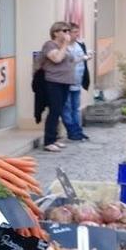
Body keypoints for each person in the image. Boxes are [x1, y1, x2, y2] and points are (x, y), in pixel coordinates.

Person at [35, 21, 76, 152]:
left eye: (68, 31)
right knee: (54, 110)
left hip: (65, 82)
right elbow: (57, 59)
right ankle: (48, 140)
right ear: (55, 32)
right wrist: (65, 44)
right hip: (53, 82)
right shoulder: (49, 45)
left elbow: (69, 61)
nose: (67, 33)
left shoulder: (64, 46)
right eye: (64, 31)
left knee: (59, 111)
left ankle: (55, 138)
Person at [62, 23, 92, 141]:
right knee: (67, 108)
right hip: (66, 81)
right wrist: (82, 58)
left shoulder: (80, 45)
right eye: (74, 32)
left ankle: (78, 131)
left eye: (77, 32)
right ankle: (71, 131)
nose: (77, 34)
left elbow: (83, 62)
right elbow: (67, 62)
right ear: (68, 33)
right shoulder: (64, 47)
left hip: (78, 81)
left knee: (76, 108)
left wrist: (87, 55)